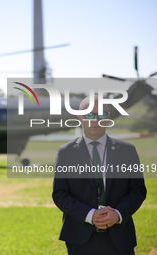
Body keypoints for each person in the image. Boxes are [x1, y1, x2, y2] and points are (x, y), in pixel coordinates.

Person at [52, 95, 147, 255]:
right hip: (80, 239)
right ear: (80, 117)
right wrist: (90, 215)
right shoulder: (65, 153)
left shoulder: (127, 150)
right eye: (89, 114)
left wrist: (117, 214)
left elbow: (138, 191)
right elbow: (60, 194)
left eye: (101, 114)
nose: (95, 119)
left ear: (107, 117)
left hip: (120, 239)